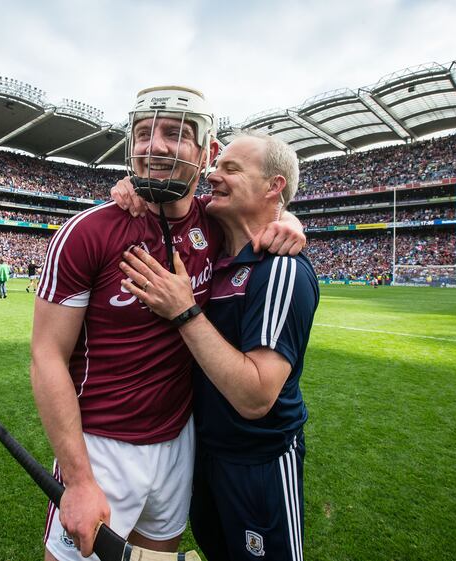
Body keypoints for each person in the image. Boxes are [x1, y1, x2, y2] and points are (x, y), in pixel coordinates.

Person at [31, 86, 306, 561]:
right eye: (143, 133)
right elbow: (46, 355)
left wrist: (290, 221)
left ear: (207, 153)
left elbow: (262, 209)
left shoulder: (217, 222)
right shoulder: (87, 232)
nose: (154, 145)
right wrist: (77, 479)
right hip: (102, 444)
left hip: (181, 442)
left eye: (174, 134)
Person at [119, 131, 319, 561]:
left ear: (273, 187)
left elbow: (255, 396)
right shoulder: (212, 242)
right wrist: (130, 185)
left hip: (258, 464)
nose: (212, 175)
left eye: (231, 168)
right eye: (216, 166)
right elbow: (169, 197)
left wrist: (185, 311)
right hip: (203, 457)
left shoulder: (281, 271)